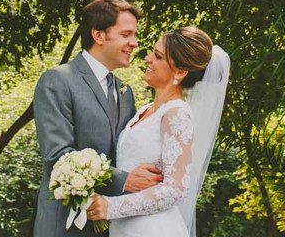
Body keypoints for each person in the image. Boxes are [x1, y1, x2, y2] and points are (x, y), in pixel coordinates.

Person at [33, 0, 165, 236]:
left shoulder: (126, 94)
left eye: (134, 35)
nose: (135, 43)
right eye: (126, 34)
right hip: (65, 226)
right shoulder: (58, 81)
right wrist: (124, 180)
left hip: (113, 225)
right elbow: (58, 155)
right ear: (99, 35)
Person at [86, 26, 230, 237]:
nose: (147, 58)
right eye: (152, 52)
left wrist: (111, 207)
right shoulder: (144, 111)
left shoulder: (177, 114)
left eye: (158, 56)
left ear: (180, 72)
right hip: (124, 228)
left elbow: (176, 189)